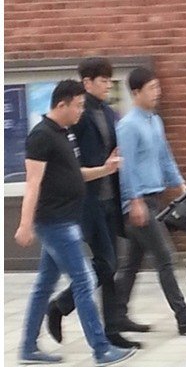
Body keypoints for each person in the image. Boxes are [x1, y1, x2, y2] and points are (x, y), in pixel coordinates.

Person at [15, 80, 136, 366]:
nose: (81, 111)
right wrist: (25, 224)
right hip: (55, 222)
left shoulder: (64, 134)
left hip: (67, 219)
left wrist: (105, 170)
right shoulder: (41, 136)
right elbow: (33, 183)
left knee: (44, 285)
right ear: (62, 104)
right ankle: (101, 349)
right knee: (85, 280)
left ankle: (28, 348)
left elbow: (75, 174)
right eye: (78, 106)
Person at [47, 58, 148, 350]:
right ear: (87, 82)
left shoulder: (108, 112)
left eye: (108, 80)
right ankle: (64, 307)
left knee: (109, 264)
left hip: (109, 199)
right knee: (107, 263)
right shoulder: (78, 115)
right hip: (87, 201)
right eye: (102, 80)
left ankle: (111, 326)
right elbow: (72, 160)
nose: (107, 85)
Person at [115, 66, 186, 335]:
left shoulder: (154, 121)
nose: (157, 92)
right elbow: (126, 167)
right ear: (135, 92)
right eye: (152, 88)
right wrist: (134, 201)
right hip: (138, 204)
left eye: (158, 87)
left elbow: (165, 157)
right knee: (165, 256)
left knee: (131, 264)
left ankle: (117, 315)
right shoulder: (128, 126)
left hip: (154, 199)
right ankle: (184, 316)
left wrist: (180, 185)